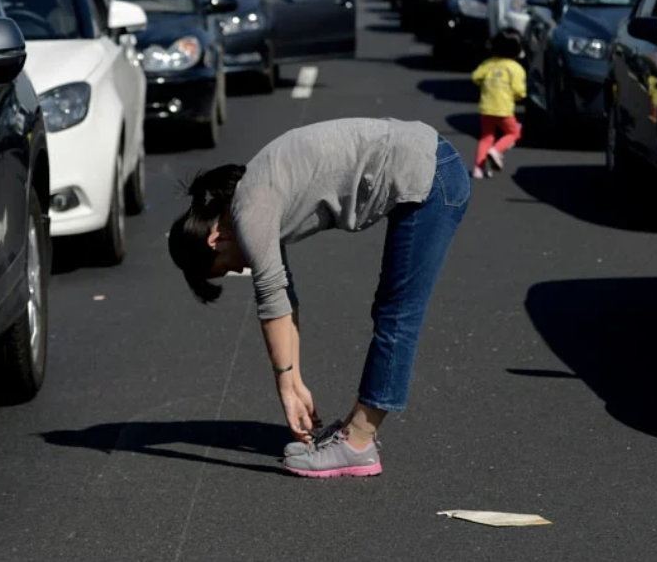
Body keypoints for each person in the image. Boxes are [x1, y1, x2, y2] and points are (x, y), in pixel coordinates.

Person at [168, 118, 471, 478]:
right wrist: (295, 384)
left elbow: (271, 298)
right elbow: (284, 295)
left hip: (430, 177)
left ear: (214, 241)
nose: (238, 271)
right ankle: (355, 435)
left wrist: (284, 387)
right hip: (430, 166)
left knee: (397, 314)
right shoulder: (251, 200)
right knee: (392, 310)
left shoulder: (249, 210)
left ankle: (358, 442)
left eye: (226, 269)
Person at [470, 29, 527, 178]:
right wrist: (519, 96)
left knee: (486, 136)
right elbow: (519, 91)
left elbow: (476, 77)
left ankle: (478, 168)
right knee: (514, 133)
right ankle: (496, 150)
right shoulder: (515, 68)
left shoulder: (488, 64)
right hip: (504, 109)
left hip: (486, 107)